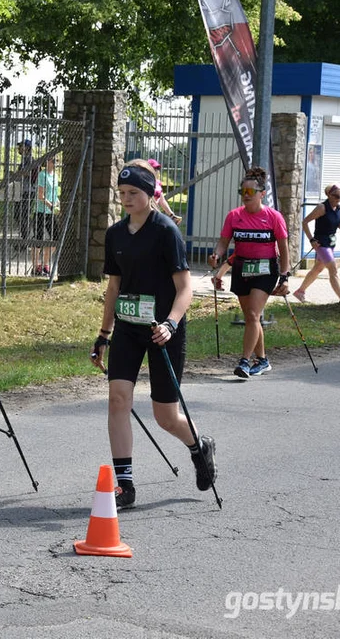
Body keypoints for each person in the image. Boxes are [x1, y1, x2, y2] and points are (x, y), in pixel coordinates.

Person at [89, 160, 216, 509]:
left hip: (163, 332)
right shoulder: (115, 234)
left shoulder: (165, 232)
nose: (126, 199)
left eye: (133, 193)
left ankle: (199, 446)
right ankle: (125, 485)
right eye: (122, 194)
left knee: (165, 416)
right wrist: (103, 334)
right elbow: (113, 288)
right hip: (129, 329)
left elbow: (185, 288)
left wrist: (171, 323)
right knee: (118, 400)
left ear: (149, 194)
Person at [209, 166, 290, 378]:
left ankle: (244, 362)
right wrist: (216, 255)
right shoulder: (234, 216)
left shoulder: (273, 217)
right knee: (251, 317)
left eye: (250, 192)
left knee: (253, 314)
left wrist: (284, 276)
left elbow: (283, 248)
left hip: (265, 269)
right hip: (242, 268)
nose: (245, 196)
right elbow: (223, 242)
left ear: (262, 194)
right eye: (242, 192)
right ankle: (263, 360)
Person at [292, 183, 340, 302]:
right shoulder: (321, 207)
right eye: (336, 196)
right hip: (321, 243)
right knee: (333, 269)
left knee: (318, 269)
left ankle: (300, 291)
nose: (338, 198)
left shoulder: (339, 207)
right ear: (329, 195)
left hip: (331, 243)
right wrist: (311, 240)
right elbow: (305, 222)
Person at [31, 154, 59, 276]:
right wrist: (50, 205)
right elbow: (40, 195)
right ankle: (36, 266)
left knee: (55, 238)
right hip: (41, 211)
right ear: (47, 162)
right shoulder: (42, 175)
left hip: (51, 212)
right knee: (38, 239)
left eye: (57, 160)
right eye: (53, 160)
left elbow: (55, 194)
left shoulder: (56, 176)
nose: (55, 162)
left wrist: (57, 204)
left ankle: (45, 264)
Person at [148, 158, 182, 225]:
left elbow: (162, 200)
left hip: (155, 212)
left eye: (157, 169)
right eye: (154, 169)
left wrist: (171, 215)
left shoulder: (157, 183)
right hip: (146, 213)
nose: (157, 171)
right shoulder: (143, 182)